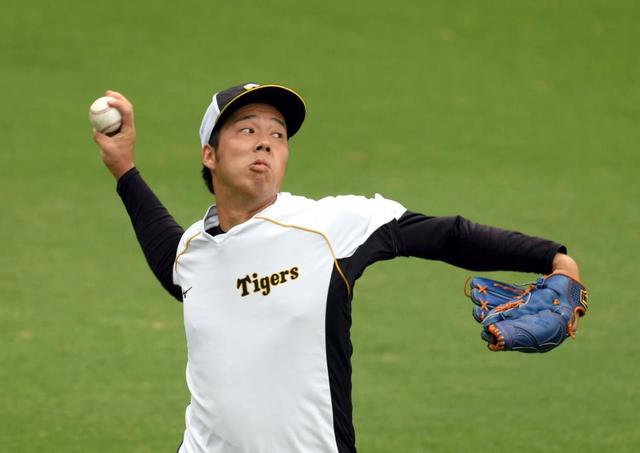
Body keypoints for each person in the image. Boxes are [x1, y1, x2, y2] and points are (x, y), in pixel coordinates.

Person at [93, 83, 581, 453]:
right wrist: (124, 169)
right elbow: (173, 264)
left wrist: (553, 257)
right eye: (247, 130)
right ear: (210, 155)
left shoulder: (331, 226)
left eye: (277, 135)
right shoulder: (195, 251)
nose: (265, 142)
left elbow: (445, 234)